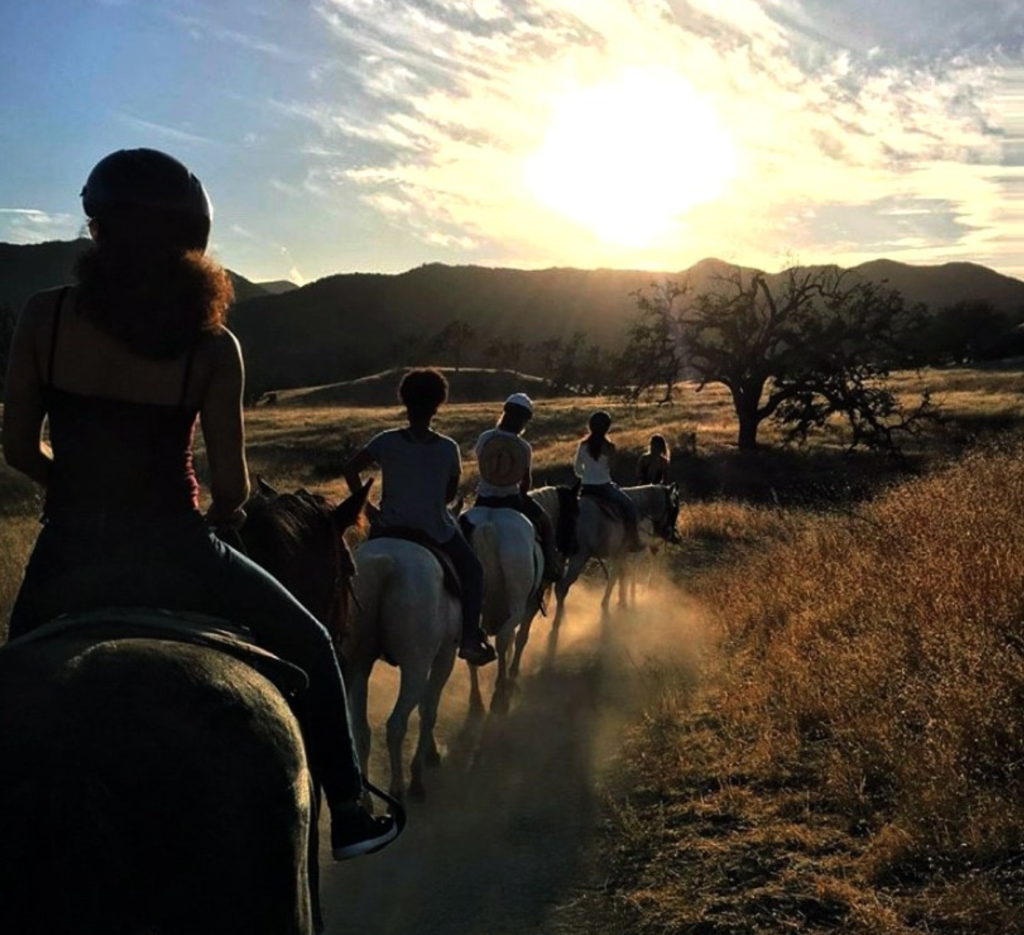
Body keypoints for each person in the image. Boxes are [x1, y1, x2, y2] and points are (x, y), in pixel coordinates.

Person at [1, 147, 396, 861]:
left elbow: (20, 449)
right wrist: (209, 521)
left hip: (69, 552)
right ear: (194, 244)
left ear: (96, 228)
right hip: (180, 549)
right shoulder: (214, 346)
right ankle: (350, 808)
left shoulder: (44, 317)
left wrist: (77, 490)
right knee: (310, 643)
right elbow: (236, 491)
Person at [342, 368, 497, 666]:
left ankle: (338, 634)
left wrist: (366, 508)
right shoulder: (448, 448)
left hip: (387, 529)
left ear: (405, 403)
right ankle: (468, 640)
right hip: (434, 530)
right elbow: (448, 497)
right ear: (438, 405)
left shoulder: (385, 441)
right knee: (474, 571)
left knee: (346, 571)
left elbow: (350, 469)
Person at [473, 392, 563, 583]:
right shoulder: (523, 447)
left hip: (483, 499)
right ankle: (551, 566)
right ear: (524, 421)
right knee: (546, 523)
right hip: (511, 501)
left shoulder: (485, 438)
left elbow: (482, 466)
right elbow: (525, 482)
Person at [573, 410, 644, 552]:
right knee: (630, 508)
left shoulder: (583, 445)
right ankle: (633, 541)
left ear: (590, 426)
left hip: (586, 488)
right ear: (607, 428)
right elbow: (612, 469)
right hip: (604, 487)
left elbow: (577, 468)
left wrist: (586, 476)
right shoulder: (609, 447)